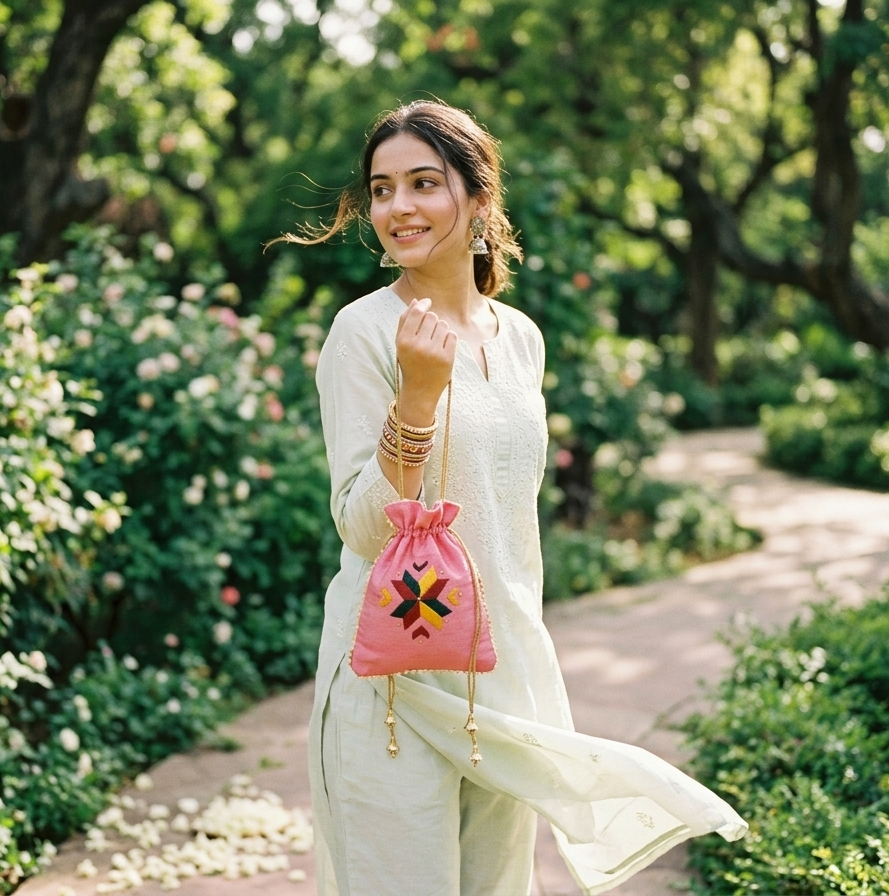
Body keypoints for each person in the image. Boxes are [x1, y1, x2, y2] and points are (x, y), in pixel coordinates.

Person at [277, 100, 747, 896]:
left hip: (497, 676)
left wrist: (532, 666)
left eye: (423, 183)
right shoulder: (363, 334)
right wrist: (417, 401)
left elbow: (511, 528)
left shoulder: (519, 337)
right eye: (382, 189)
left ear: (478, 196)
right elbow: (360, 525)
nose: (398, 207)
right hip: (392, 681)